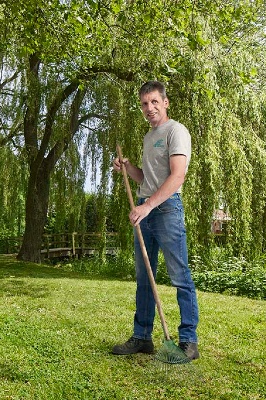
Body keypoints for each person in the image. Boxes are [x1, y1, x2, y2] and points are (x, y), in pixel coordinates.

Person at [112, 81, 199, 360]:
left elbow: (177, 176)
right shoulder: (149, 137)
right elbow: (147, 179)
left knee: (179, 276)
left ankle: (188, 341)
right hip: (144, 209)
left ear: (165, 102)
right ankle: (142, 337)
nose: (149, 108)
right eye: (144, 104)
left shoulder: (176, 131)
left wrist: (149, 205)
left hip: (165, 210)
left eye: (153, 102)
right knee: (144, 278)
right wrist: (128, 168)